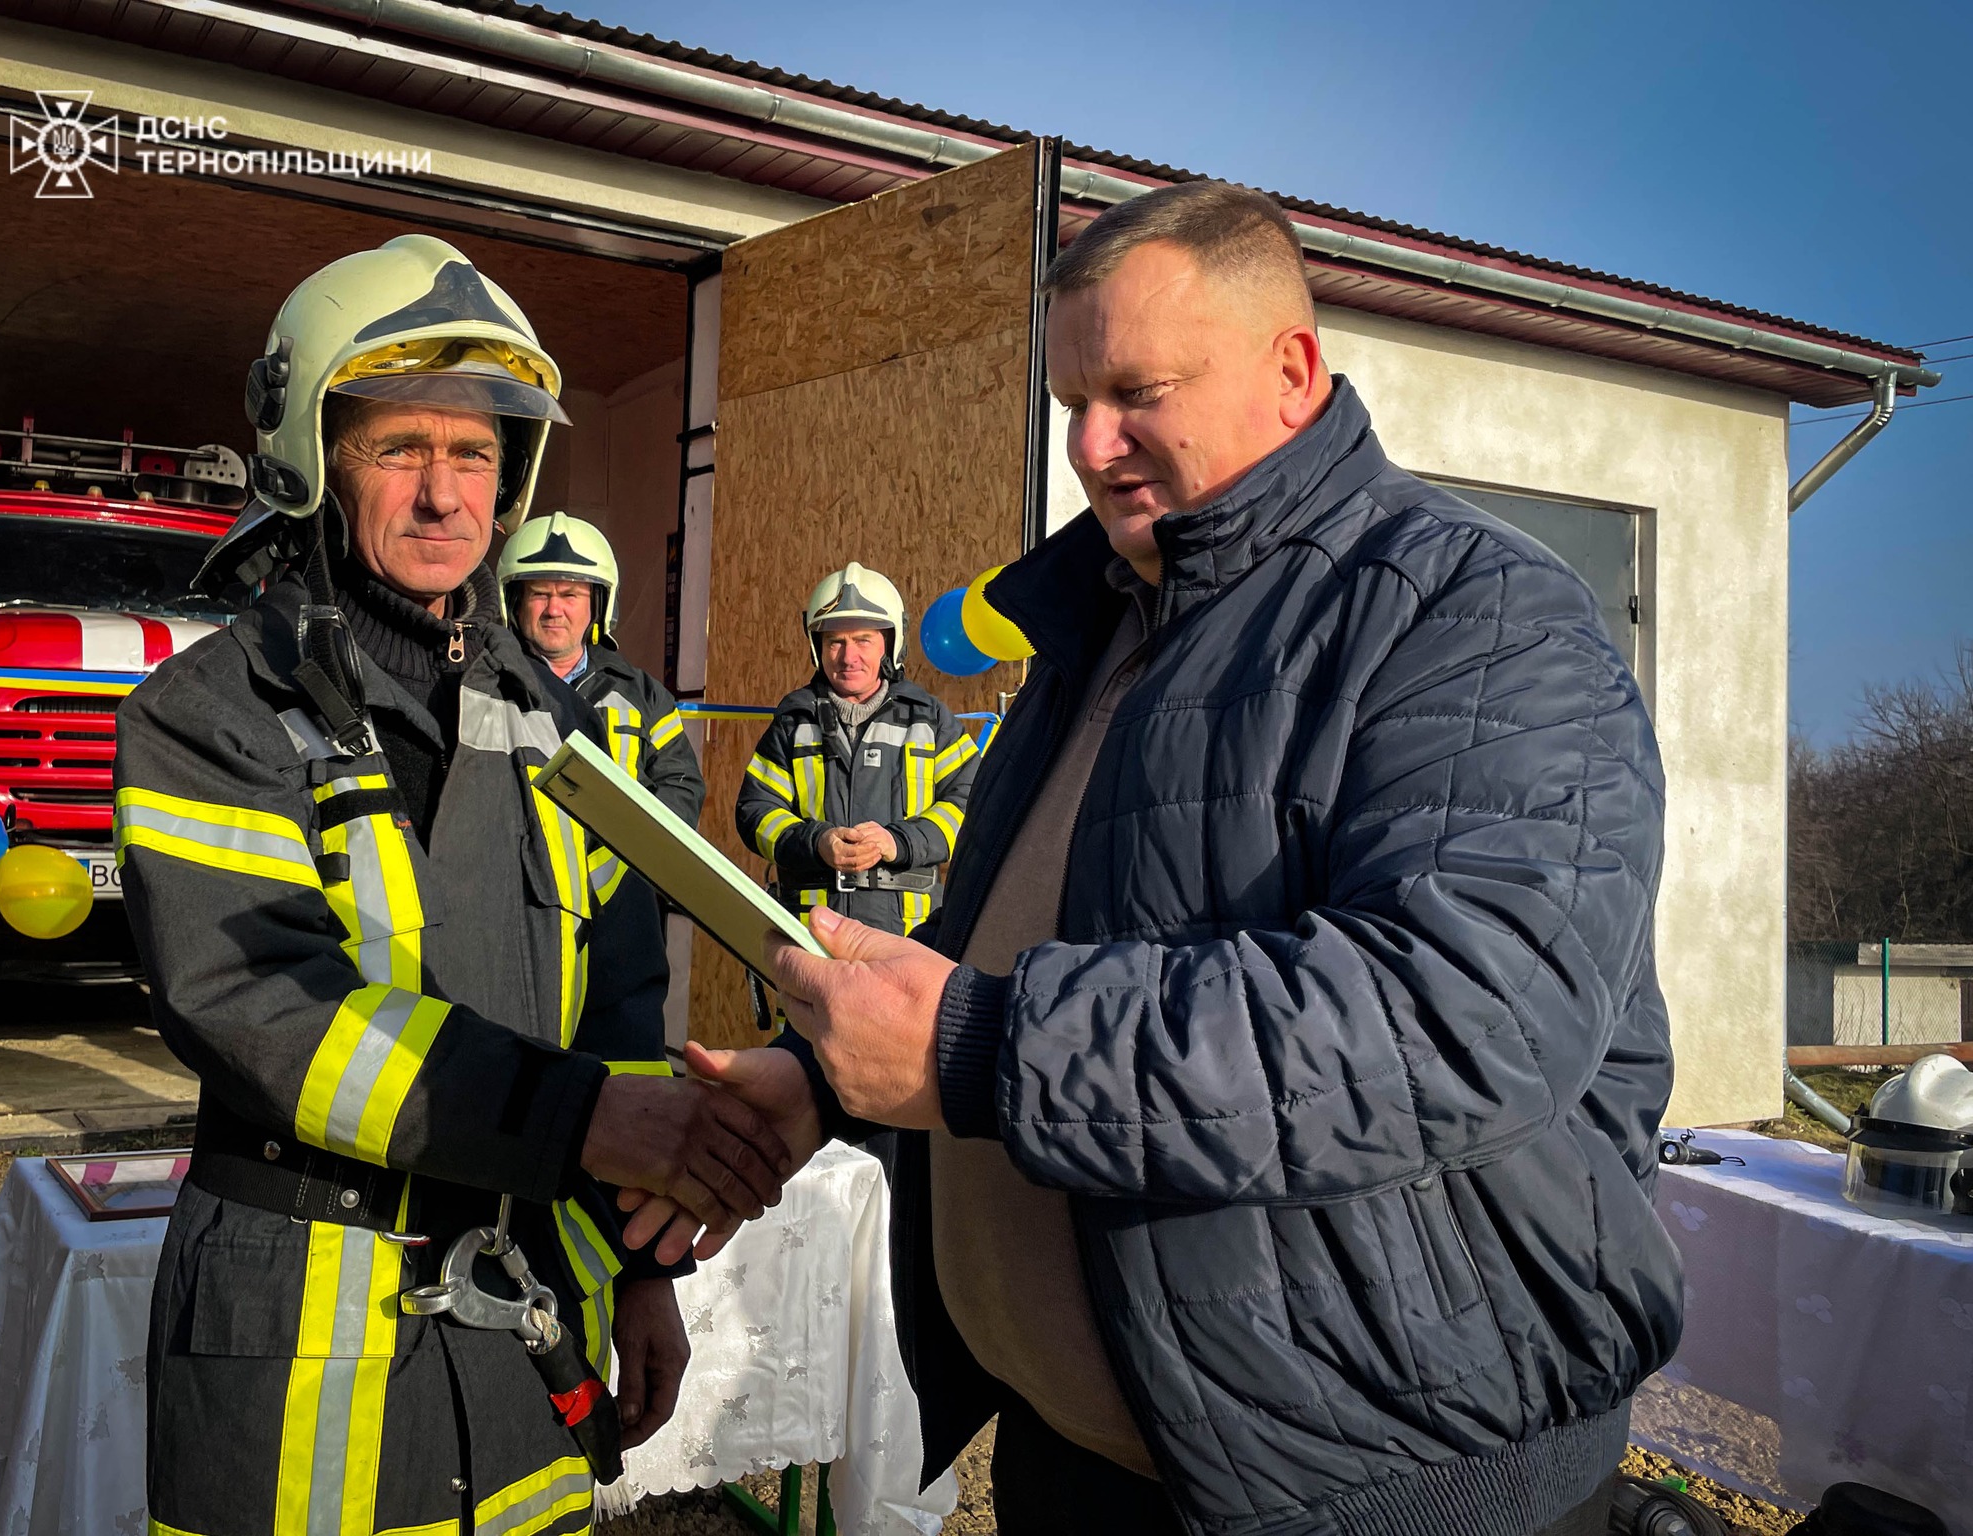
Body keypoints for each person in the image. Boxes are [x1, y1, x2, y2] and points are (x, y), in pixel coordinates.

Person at [634, 183, 1683, 1536]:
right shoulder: (1106, 623)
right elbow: (1004, 938)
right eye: (1074, 400)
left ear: (1290, 371)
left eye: (1138, 393)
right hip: (1087, 1463)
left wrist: (975, 1052)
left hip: (1378, 1484)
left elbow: (1461, 1018)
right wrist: (829, 1077)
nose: (1091, 444)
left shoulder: (1475, 614)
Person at [117, 234, 793, 1536]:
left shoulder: (552, 726)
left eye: (475, 452)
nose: (444, 495)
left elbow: (617, 999)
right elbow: (262, 1005)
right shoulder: (209, 715)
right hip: (307, 1324)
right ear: (313, 460)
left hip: (526, 1320)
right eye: (400, 448)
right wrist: (579, 1117)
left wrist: (638, 1271)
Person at [733, 562, 979, 938]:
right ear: (817, 647)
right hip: (814, 933)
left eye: (863, 640)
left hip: (909, 937)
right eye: (835, 642)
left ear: (890, 644)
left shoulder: (929, 721)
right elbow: (756, 812)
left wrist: (899, 842)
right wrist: (818, 842)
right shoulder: (794, 722)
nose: (848, 657)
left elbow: (972, 805)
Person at [500, 509, 705, 829]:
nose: (554, 609)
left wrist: (638, 843)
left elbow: (682, 786)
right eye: (539, 593)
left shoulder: (644, 695)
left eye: (569, 595)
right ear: (515, 603)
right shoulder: (490, 686)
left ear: (598, 604)